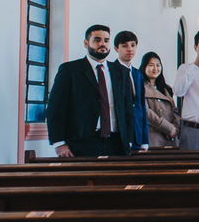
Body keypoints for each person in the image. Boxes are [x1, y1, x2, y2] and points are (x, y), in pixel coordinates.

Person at [45, 25, 136, 158]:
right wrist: (59, 143)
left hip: (116, 143)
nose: (102, 44)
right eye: (97, 40)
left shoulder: (120, 72)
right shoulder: (70, 70)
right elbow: (55, 109)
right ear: (86, 43)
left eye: (106, 40)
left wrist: (128, 140)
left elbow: (127, 109)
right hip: (82, 143)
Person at [113, 30, 149, 151]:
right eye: (124, 46)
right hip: (119, 134)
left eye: (133, 45)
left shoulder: (137, 74)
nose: (130, 49)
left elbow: (141, 107)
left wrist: (145, 140)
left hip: (137, 132)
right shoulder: (111, 71)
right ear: (116, 49)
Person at [140, 51, 180, 148]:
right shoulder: (140, 87)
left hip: (170, 137)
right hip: (153, 137)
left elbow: (174, 110)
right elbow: (146, 112)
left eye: (158, 65)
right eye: (151, 65)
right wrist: (168, 128)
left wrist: (174, 128)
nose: (155, 69)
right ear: (144, 66)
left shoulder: (166, 89)